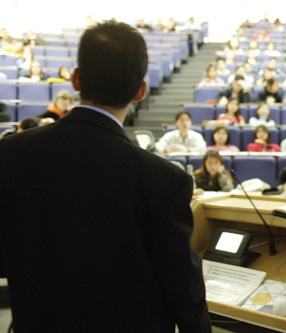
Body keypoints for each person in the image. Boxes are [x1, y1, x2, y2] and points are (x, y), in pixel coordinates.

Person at [0, 21, 210, 332]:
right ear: (140, 90)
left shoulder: (10, 152)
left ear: (76, 79)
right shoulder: (165, 179)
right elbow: (184, 291)